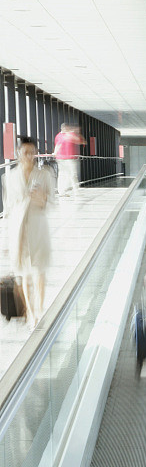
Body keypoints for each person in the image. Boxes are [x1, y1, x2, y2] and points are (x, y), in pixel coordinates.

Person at [1, 136, 53, 328]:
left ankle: (39, 310)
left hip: (38, 230)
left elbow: (51, 203)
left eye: (32, 152)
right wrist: (6, 240)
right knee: (24, 275)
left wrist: (41, 198)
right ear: (18, 153)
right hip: (18, 231)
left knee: (39, 273)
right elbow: (8, 210)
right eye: (25, 152)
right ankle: (31, 314)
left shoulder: (44, 175)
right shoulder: (9, 178)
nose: (29, 156)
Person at [53, 123, 85, 198]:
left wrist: (75, 134)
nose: (66, 129)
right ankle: (62, 192)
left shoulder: (70, 135)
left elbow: (81, 141)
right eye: (65, 128)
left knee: (72, 175)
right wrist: (55, 153)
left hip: (69, 158)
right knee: (64, 175)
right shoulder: (59, 136)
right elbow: (58, 145)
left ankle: (75, 191)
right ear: (62, 128)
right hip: (62, 159)